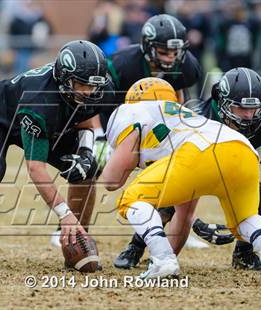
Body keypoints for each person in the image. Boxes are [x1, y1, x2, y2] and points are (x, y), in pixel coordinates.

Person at [0, 40, 112, 267]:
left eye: (92, 86)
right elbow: (36, 168)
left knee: (86, 170)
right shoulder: (40, 101)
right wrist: (64, 214)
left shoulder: (98, 86)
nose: (88, 92)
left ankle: (78, 239)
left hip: (41, 118)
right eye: (81, 85)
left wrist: (86, 152)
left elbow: (86, 117)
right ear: (64, 78)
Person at [117, 67, 261, 270]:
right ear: (224, 104)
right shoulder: (201, 118)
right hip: (196, 165)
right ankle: (136, 246)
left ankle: (243, 254)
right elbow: (176, 171)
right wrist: (195, 221)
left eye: (254, 108)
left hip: (232, 169)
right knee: (165, 200)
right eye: (240, 108)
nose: (249, 115)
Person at [101, 14, 205, 265]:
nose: (171, 57)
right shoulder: (122, 65)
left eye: (176, 51)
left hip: (162, 125)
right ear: (148, 47)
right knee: (109, 179)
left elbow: (179, 99)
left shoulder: (187, 66)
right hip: (125, 123)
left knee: (174, 181)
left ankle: (161, 231)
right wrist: (103, 137)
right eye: (164, 51)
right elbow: (102, 103)